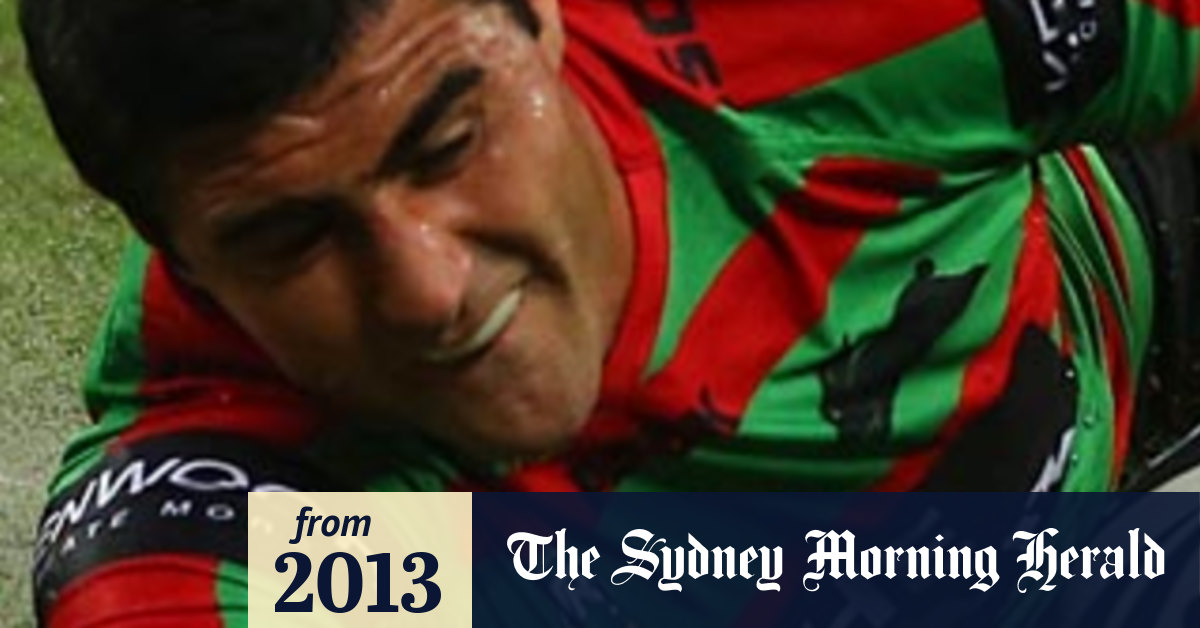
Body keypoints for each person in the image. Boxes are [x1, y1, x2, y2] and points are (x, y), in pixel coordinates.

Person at [18, 0, 1200, 623]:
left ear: (541, 17)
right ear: (180, 257)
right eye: (290, 239)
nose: (429, 289)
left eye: (449, 141)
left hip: (1133, 254)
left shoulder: (850, 21)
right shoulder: (214, 536)